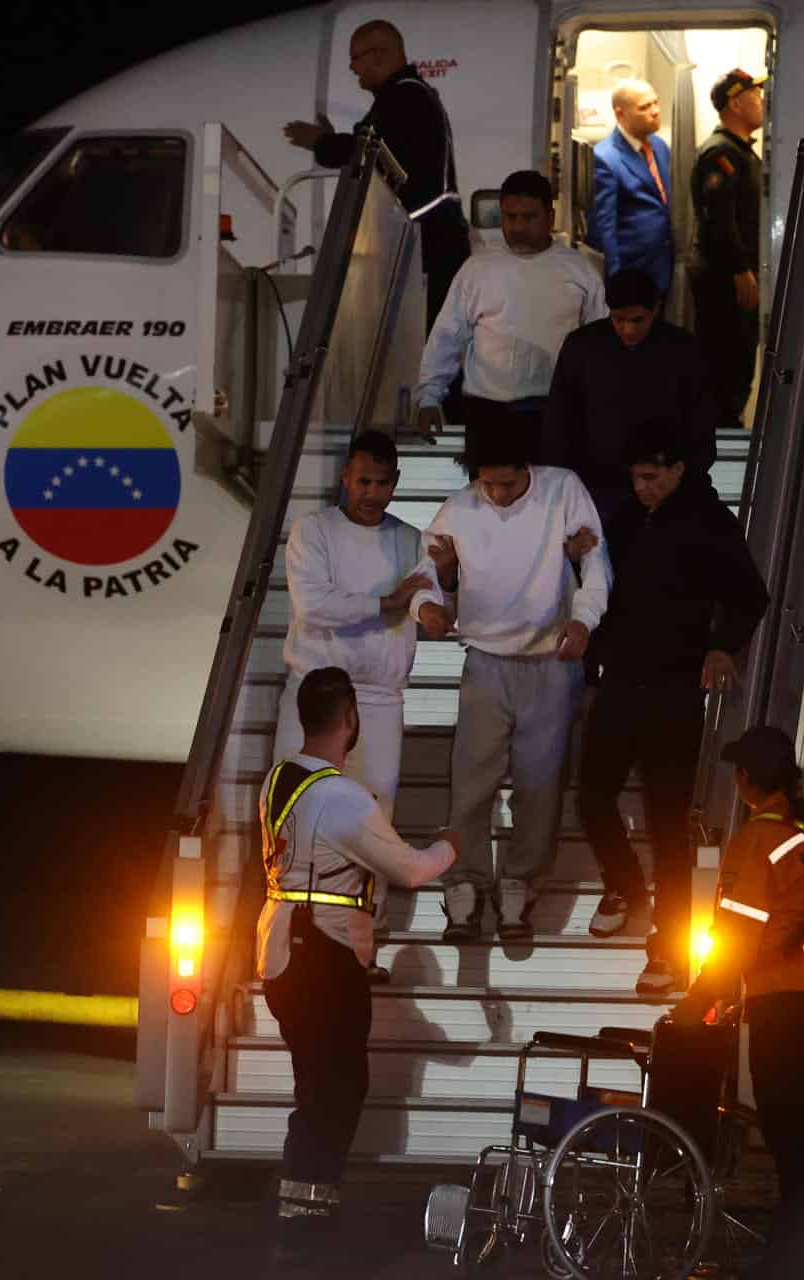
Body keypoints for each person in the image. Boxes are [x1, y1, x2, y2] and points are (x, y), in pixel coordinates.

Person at [256, 667, 459, 1249]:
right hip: (320, 952)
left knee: (319, 1081)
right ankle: (305, 1214)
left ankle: (305, 1204)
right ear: (350, 720)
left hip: (282, 944)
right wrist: (453, 845)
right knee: (335, 1085)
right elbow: (411, 870)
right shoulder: (340, 797)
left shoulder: (279, 779)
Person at [576, 423, 769, 993]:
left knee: (667, 826)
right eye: (636, 477)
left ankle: (667, 953)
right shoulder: (625, 519)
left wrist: (721, 646)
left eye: (651, 477)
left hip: (674, 691)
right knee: (592, 795)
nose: (642, 488)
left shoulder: (709, 524)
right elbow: (602, 590)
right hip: (621, 681)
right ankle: (627, 886)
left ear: (679, 470)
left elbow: (749, 595)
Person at [407, 420, 610, 942]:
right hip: (485, 660)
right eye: (487, 484)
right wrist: (429, 603)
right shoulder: (459, 508)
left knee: (540, 784)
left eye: (508, 484)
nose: (496, 495)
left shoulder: (562, 489)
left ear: (529, 469)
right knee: (470, 781)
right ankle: (465, 881)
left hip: (552, 659)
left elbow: (595, 561)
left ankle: (521, 880)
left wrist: (585, 620)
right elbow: (424, 573)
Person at [672, 724, 804, 1245]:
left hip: (791, 1007)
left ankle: (798, 1250)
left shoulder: (755, 841)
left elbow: (734, 939)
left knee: (788, 1137)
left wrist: (695, 1005)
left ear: (743, 781)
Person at [275, 429, 430, 978]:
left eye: (382, 482)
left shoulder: (411, 539)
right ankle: (283, 940)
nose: (371, 491)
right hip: (316, 689)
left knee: (373, 822)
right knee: (298, 812)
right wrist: (386, 603)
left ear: (395, 484)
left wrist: (430, 608)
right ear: (346, 475)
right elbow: (314, 605)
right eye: (363, 480)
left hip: (381, 696)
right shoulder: (312, 531)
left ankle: (362, 948)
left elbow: (428, 592)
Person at [284, 19, 470, 331]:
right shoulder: (406, 96)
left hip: (426, 248)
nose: (352, 68)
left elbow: (370, 150)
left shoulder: (404, 97)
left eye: (356, 57)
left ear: (380, 54)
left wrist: (320, 142)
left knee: (427, 351)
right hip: (428, 244)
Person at [414, 170, 607, 457]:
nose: (518, 227)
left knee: (553, 498)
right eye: (510, 217)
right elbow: (446, 336)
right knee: (489, 498)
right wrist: (428, 397)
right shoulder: (476, 270)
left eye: (529, 217)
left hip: (556, 414)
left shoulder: (579, 271)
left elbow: (600, 345)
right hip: (488, 412)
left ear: (550, 217)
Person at [541, 266, 721, 528]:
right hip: (597, 485)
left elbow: (700, 421)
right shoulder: (583, 347)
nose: (627, 329)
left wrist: (680, 477)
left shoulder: (682, 349)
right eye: (619, 320)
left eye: (637, 320)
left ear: (655, 310)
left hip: (662, 486)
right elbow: (560, 421)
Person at [689, 69, 768, 432]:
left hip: (737, 275)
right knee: (725, 366)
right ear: (736, 103)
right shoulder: (721, 154)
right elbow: (718, 220)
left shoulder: (740, 153)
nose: (762, 102)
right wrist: (741, 271)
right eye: (756, 95)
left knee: (738, 365)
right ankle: (719, 443)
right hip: (726, 280)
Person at [587, 78, 674, 296]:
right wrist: (616, 279)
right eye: (644, 107)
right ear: (620, 114)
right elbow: (604, 226)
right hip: (631, 269)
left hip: (663, 264)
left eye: (656, 103)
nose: (655, 111)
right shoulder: (606, 157)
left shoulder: (660, 147)